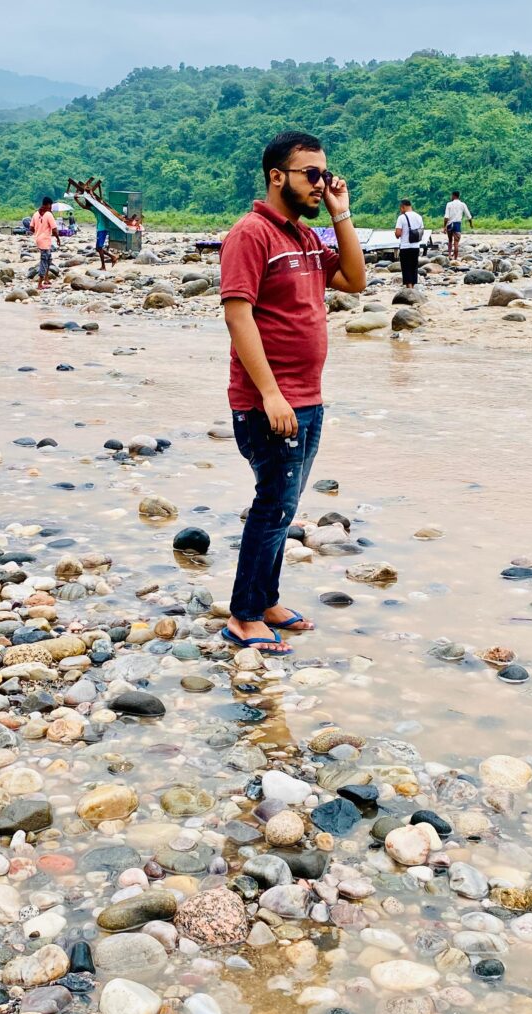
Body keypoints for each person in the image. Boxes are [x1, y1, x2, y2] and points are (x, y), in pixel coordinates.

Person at [219, 130, 366, 655]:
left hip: (308, 400)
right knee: (272, 504)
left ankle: (268, 598)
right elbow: (239, 317)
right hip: (270, 405)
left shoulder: (303, 238)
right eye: (311, 174)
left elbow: (354, 279)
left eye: (325, 174)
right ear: (277, 176)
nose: (320, 182)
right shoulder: (252, 234)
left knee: (287, 505)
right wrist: (272, 395)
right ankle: (244, 615)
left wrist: (339, 213)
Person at [29, 196, 61, 289]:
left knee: (48, 259)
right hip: (45, 241)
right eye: (50, 205)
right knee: (44, 261)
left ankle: (46, 279)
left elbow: (31, 228)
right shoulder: (48, 214)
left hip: (39, 239)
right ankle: (39, 283)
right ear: (48, 205)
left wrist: (39, 228)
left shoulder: (35, 214)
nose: (51, 208)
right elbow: (54, 230)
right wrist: (58, 239)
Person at [394, 199, 424, 288]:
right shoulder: (419, 217)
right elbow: (421, 231)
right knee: (414, 267)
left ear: (403, 207)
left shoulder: (402, 217)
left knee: (406, 268)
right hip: (416, 246)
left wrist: (396, 234)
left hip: (405, 247)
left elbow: (398, 233)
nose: (400, 210)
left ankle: (409, 287)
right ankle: (413, 286)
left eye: (400, 208)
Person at [443, 190, 473, 259]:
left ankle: (449, 255)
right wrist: (471, 224)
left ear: (453, 196)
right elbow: (468, 216)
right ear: (459, 196)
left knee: (450, 240)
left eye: (451, 196)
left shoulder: (449, 204)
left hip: (450, 224)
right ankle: (455, 258)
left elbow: (446, 217)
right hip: (457, 224)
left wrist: (444, 226)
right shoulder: (462, 204)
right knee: (456, 243)